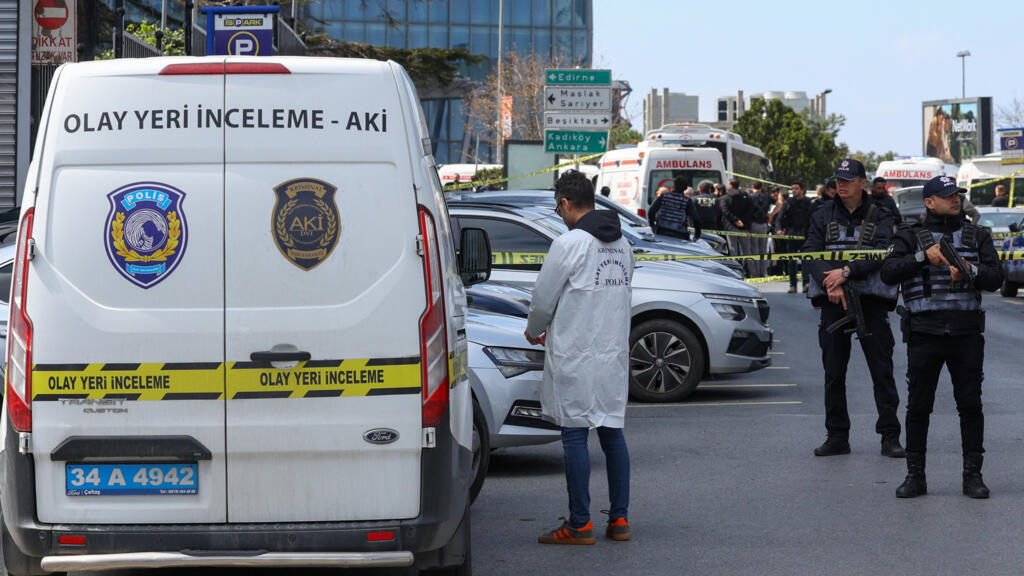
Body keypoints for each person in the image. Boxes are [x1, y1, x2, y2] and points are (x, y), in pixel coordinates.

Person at [526, 170, 633, 544]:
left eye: (558, 209)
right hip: (611, 353)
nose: (560, 215)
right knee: (612, 433)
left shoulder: (569, 244)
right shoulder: (623, 244)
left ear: (566, 203)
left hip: (576, 352)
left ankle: (580, 524)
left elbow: (543, 299)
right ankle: (619, 520)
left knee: (574, 435)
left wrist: (533, 328)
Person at [880, 175, 1003, 499]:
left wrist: (969, 271)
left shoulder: (977, 235)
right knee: (919, 407)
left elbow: (996, 277)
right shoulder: (909, 235)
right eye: (948, 196)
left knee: (970, 406)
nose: (955, 200)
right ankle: (915, 476)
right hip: (925, 333)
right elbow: (888, 272)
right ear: (929, 202)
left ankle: (973, 477)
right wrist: (924, 257)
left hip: (966, 333)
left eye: (957, 195)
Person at [803, 159, 904, 458]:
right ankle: (837, 436)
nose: (841, 184)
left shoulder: (882, 214)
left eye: (848, 180)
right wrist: (830, 282)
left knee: (882, 371)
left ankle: (889, 436)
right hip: (833, 300)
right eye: (839, 180)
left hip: (870, 302)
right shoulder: (822, 213)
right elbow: (810, 252)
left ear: (863, 182)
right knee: (834, 372)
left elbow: (884, 251)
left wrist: (846, 272)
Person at [778, 181, 814, 293]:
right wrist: (779, 229)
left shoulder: (808, 202)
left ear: (802, 190)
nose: (794, 191)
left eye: (796, 188)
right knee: (791, 262)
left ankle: (806, 284)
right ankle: (793, 285)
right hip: (791, 234)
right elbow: (780, 217)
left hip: (804, 234)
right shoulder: (788, 202)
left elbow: (813, 218)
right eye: (792, 188)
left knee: (805, 260)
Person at [648, 176, 702, 242]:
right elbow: (696, 219)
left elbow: (651, 211)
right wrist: (697, 235)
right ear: (685, 188)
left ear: (674, 186)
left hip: (662, 231)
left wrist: (652, 225)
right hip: (680, 234)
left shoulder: (663, 197)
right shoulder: (687, 201)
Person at [721, 178, 756, 275]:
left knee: (733, 250)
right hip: (744, 227)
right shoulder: (746, 196)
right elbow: (751, 209)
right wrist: (742, 220)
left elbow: (725, 211)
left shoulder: (726, 197)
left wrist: (735, 220)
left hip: (731, 227)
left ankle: (735, 273)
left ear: (730, 185)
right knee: (747, 251)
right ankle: (752, 273)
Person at [748, 182, 773, 277]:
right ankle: (763, 272)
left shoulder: (750, 197)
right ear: (761, 187)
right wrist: (771, 214)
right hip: (764, 224)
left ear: (752, 187)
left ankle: (755, 273)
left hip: (753, 224)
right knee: (763, 249)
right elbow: (779, 203)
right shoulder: (767, 196)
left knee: (754, 249)